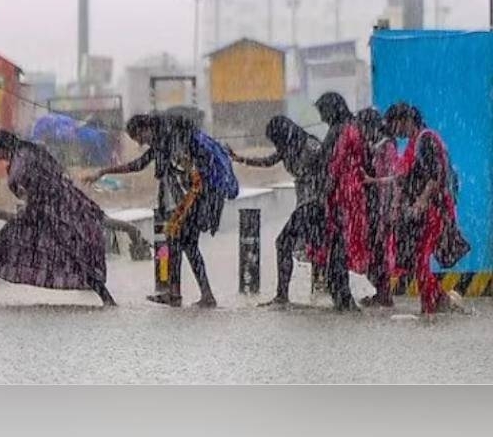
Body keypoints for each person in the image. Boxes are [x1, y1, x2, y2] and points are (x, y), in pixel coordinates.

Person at [0, 130, 115, 306]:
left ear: (2, 148)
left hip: (47, 210)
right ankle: (105, 297)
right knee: (68, 251)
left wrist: (17, 187)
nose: (0, 158)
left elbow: (17, 178)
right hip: (54, 207)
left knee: (64, 250)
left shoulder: (21, 156)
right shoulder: (31, 150)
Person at [85, 113, 221, 308]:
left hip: (188, 203)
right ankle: (181, 293)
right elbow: (138, 165)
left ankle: (196, 295)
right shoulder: (163, 141)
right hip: (183, 203)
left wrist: (103, 172)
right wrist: (103, 172)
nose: (140, 142)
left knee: (185, 246)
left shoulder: (168, 141)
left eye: (139, 137)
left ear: (146, 128)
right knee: (178, 246)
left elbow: (180, 171)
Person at [228, 115, 325, 306]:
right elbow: (269, 161)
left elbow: (328, 169)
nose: (276, 145)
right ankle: (320, 295)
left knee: (284, 243)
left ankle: (286, 296)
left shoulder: (310, 146)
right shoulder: (289, 147)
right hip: (305, 202)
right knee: (315, 246)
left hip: (316, 203)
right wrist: (240, 159)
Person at [383, 103, 458, 315]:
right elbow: (405, 177)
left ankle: (431, 309)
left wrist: (421, 202)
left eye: (394, 124)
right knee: (417, 259)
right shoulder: (414, 143)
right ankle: (440, 301)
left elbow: (435, 176)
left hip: (434, 210)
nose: (394, 130)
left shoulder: (426, 140)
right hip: (425, 211)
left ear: (405, 120)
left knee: (420, 259)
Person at [312, 92, 367, 311]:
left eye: (323, 112)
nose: (322, 118)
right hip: (348, 194)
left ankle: (342, 296)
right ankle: (341, 295)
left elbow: (335, 164)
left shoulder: (342, 131)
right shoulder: (350, 127)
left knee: (338, 248)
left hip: (342, 195)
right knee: (338, 248)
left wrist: (324, 194)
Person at [356, 108, 397, 307]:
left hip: (383, 207)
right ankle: (381, 293)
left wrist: (372, 181)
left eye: (363, 127)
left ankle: (384, 294)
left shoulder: (386, 146)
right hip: (376, 208)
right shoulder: (376, 145)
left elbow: (392, 179)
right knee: (375, 251)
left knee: (378, 252)